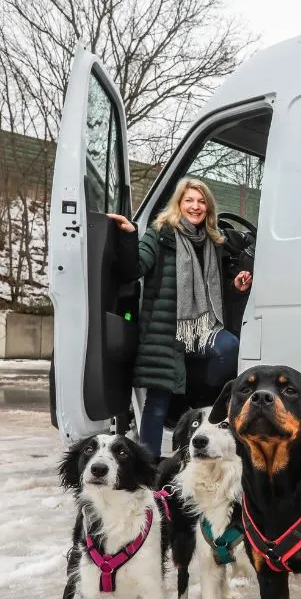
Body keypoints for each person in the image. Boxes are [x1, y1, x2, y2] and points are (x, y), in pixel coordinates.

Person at [106, 176, 254, 458]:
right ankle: (148, 464)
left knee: (229, 348)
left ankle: (195, 390)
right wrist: (127, 235)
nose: (195, 207)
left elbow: (212, 295)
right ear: (179, 204)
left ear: (208, 208)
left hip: (201, 330)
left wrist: (235, 288)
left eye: (201, 202)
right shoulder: (160, 234)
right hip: (164, 332)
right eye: (189, 201)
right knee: (158, 402)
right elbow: (133, 269)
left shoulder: (213, 242)